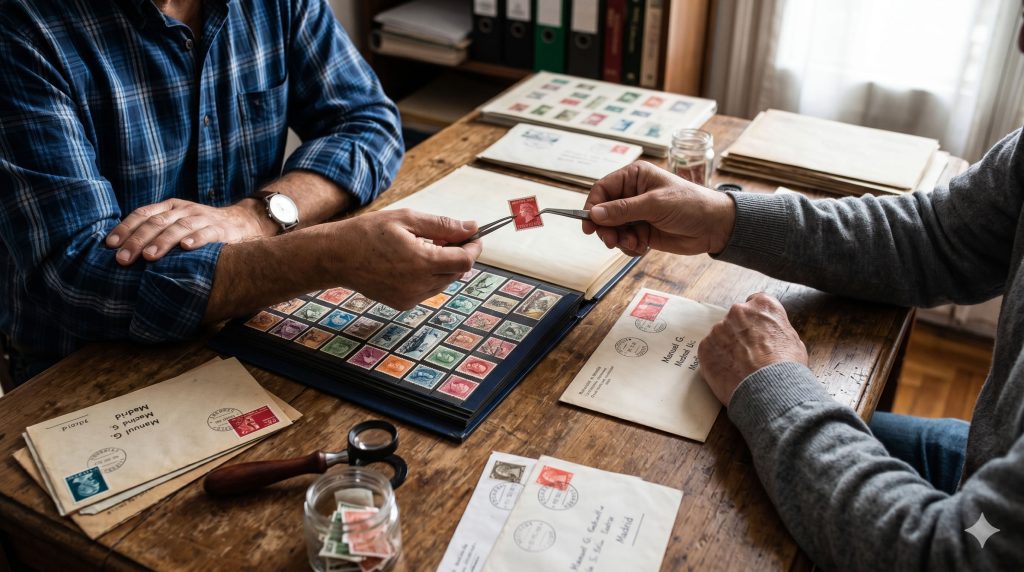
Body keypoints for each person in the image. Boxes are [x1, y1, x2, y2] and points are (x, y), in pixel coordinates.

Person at [583, 134, 1024, 566]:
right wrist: (724, 218)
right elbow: (934, 235)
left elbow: (951, 554)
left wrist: (773, 383)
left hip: (977, 530)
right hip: (991, 464)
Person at [0, 0, 481, 385]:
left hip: (256, 321)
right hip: (83, 370)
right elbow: (74, 276)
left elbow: (367, 121)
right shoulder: (21, 27)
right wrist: (325, 257)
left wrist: (256, 216)